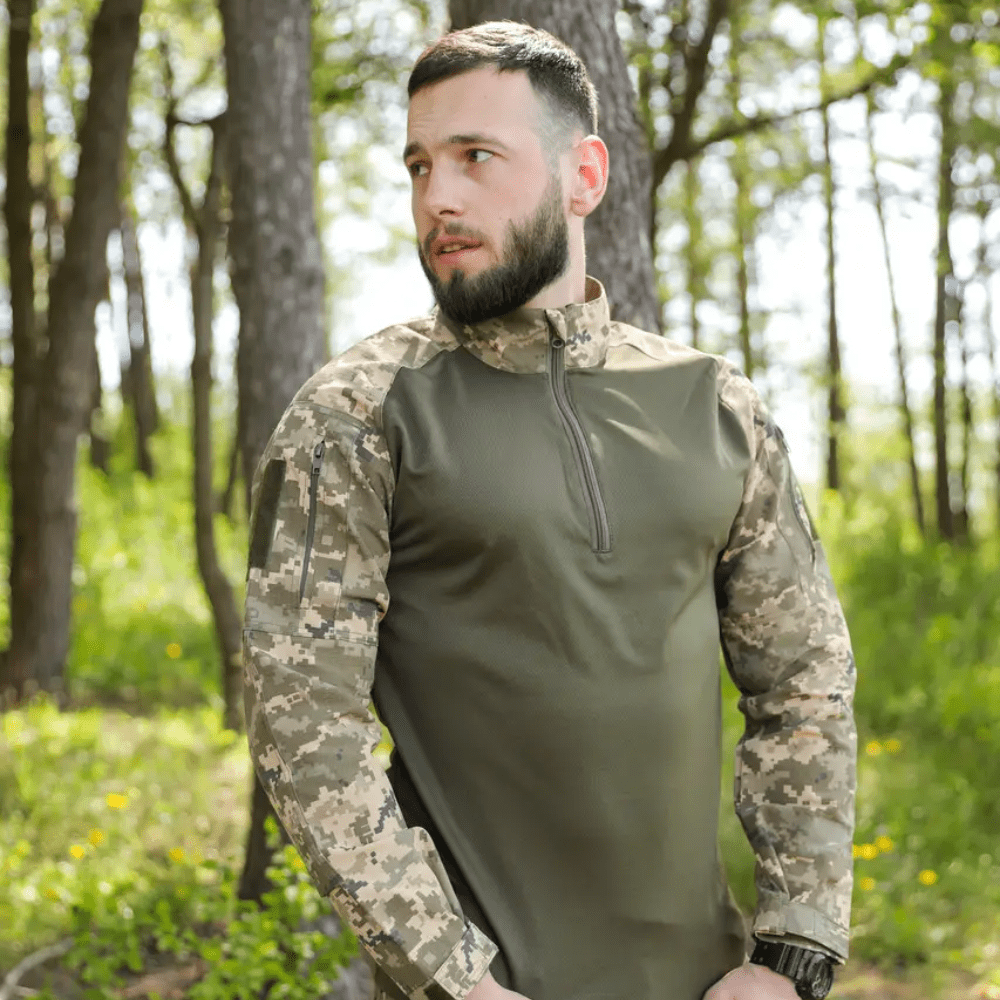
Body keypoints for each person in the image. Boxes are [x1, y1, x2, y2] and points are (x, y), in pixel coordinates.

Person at [242, 21, 857, 1000]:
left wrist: (793, 952)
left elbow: (803, 682)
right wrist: (457, 983)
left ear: (584, 176)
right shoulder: (357, 414)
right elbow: (303, 720)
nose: (438, 197)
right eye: (419, 166)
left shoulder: (714, 404)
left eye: (475, 157)